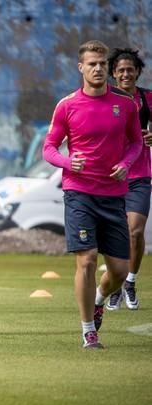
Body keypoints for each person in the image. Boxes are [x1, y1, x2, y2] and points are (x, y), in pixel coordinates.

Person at [43, 40, 143, 349]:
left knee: (120, 270)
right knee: (86, 260)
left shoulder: (125, 104)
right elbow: (49, 148)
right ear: (81, 68)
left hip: (114, 195)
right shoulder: (67, 105)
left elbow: (136, 143)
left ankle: (100, 299)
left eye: (102, 64)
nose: (98, 68)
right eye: (92, 64)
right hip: (79, 193)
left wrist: (126, 164)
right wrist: (66, 161)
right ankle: (88, 330)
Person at [106, 47, 152, 311]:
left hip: (139, 176)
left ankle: (130, 282)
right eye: (120, 70)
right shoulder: (105, 99)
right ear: (113, 73)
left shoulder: (147, 99)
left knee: (134, 230)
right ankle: (115, 283)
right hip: (110, 177)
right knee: (115, 235)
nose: (125, 74)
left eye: (130, 69)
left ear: (137, 72)